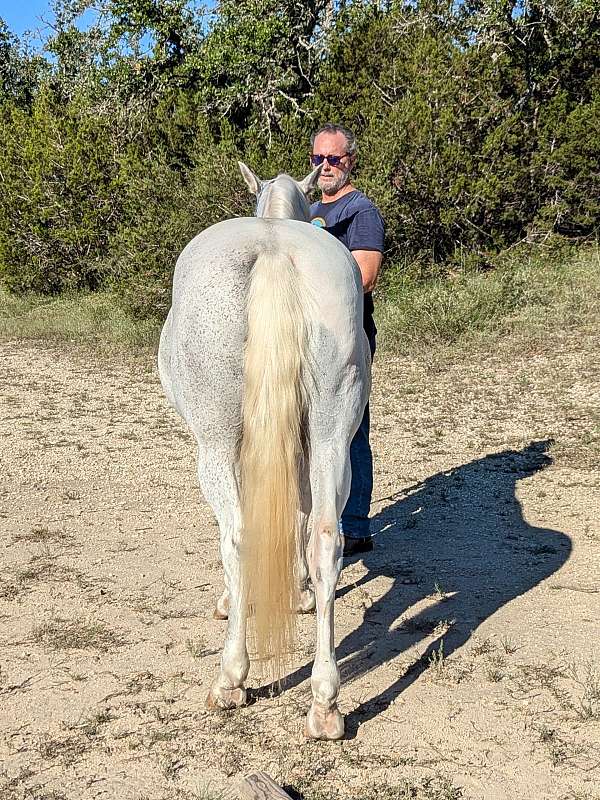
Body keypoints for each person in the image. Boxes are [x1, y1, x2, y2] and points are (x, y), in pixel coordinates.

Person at [309, 123, 384, 557]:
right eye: (318, 158)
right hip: (308, 339)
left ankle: (354, 525)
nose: (324, 167)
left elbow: (366, 277)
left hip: (347, 338)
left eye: (333, 159)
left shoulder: (361, 211)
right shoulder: (309, 211)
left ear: (350, 161)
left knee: (351, 430)